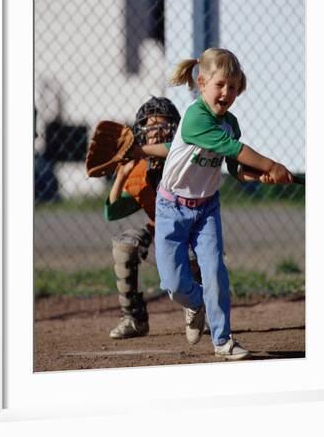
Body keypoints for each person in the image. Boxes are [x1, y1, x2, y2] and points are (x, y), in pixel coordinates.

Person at [154, 48, 294, 360]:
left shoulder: (230, 122)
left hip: (206, 208)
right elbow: (235, 148)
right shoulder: (195, 118)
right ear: (201, 83)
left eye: (232, 86)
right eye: (220, 85)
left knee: (215, 270)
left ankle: (222, 340)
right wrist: (271, 164)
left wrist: (259, 176)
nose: (226, 92)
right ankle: (195, 303)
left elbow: (235, 167)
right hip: (171, 208)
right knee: (173, 283)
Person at [104, 96, 202, 339]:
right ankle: (133, 318)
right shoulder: (138, 167)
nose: (156, 133)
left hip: (190, 228)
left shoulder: (184, 159)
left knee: (192, 255)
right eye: (150, 127)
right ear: (141, 133)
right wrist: (122, 174)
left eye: (163, 126)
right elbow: (112, 211)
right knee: (125, 246)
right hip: (159, 228)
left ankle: (199, 309)